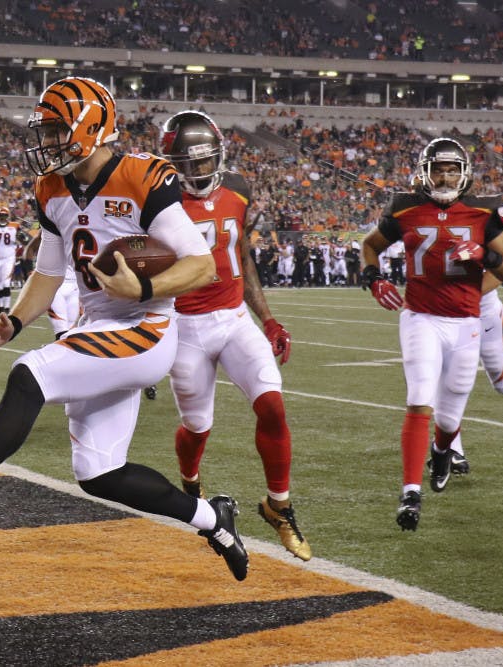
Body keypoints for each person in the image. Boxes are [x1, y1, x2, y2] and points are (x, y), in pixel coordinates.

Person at [0, 76, 249, 581]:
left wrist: (141, 288)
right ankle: (213, 519)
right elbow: (49, 272)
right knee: (99, 473)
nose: (46, 142)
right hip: (101, 328)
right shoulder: (52, 188)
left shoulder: (141, 177)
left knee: (30, 375)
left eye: (55, 131)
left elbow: (201, 266)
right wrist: (14, 320)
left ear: (90, 128)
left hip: (147, 327)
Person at [160, 110, 309, 561]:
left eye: (206, 159)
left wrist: (268, 319)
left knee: (273, 406)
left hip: (233, 318)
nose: (200, 169)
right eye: (190, 162)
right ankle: (191, 482)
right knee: (197, 426)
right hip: (185, 325)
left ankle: (278, 506)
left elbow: (241, 256)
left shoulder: (239, 188)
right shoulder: (157, 199)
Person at [360, 137, 503, 531]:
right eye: (439, 170)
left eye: (452, 170)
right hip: (421, 317)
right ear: (425, 173)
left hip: (466, 323)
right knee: (420, 397)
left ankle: (441, 449)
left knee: (449, 420)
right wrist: (373, 277)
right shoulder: (405, 208)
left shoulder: (482, 213)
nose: (446, 177)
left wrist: (485, 254)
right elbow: (370, 245)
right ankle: (410, 493)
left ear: (463, 174)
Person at [430, 272, 503, 480]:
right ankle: (454, 450)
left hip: (485, 316)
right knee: (447, 382)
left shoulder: (482, 247)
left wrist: (465, 294)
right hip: (448, 318)